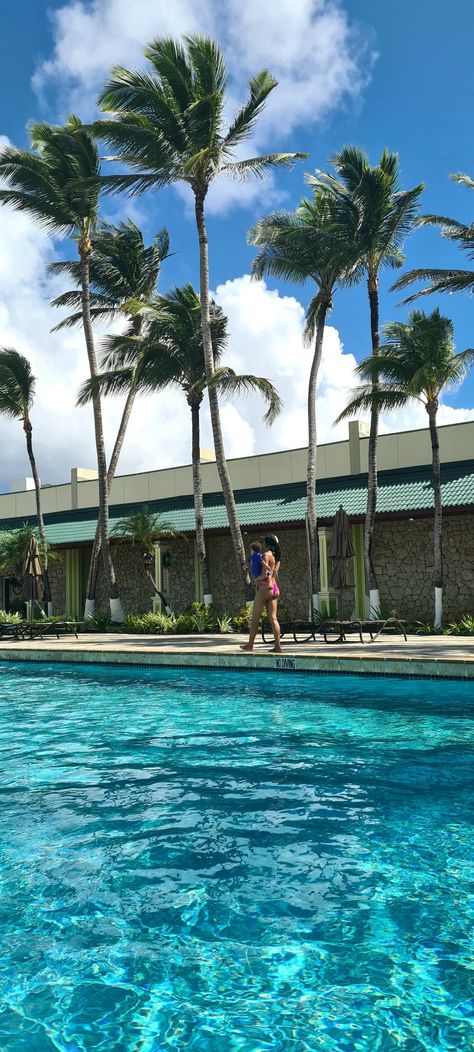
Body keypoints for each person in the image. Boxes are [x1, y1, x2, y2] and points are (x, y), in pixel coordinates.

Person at [240, 533, 282, 653]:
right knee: (273, 618)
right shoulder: (277, 558)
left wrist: (256, 579)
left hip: (264, 588)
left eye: (264, 542)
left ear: (267, 544)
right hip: (274, 588)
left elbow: (264, 575)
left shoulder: (265, 555)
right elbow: (272, 573)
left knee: (255, 618)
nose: (262, 544)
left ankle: (250, 645)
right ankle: (278, 646)